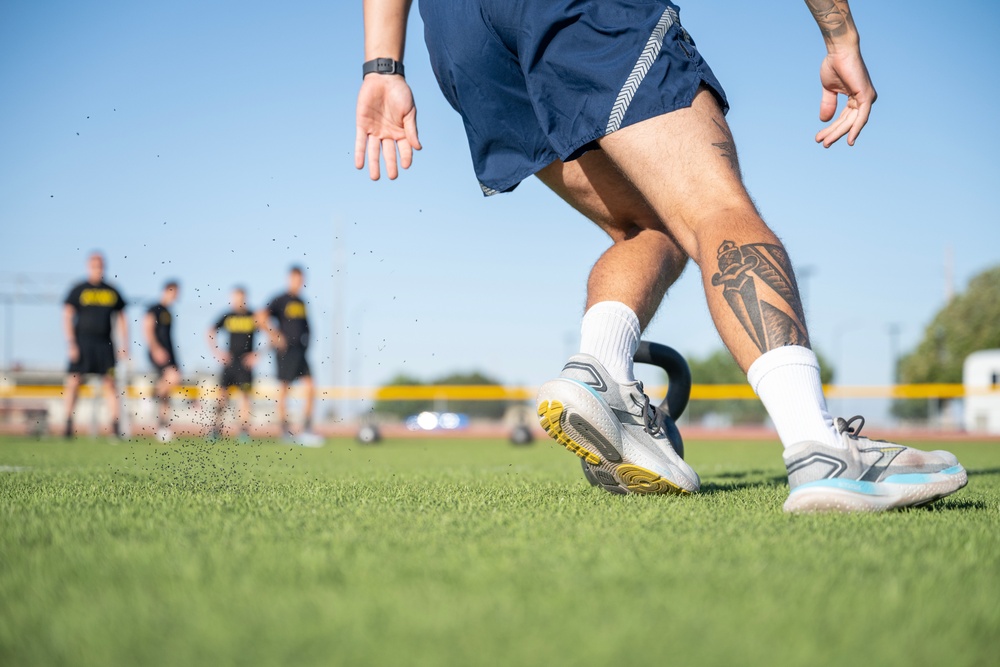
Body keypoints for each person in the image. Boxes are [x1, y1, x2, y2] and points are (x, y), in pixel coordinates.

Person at [355, 0, 967, 512]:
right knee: (714, 211)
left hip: (461, 34)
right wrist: (841, 33)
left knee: (650, 227)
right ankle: (820, 449)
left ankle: (601, 373)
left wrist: (381, 64)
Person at [62, 251, 128, 439]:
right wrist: (71, 343)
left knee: (110, 383)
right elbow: (67, 315)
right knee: (74, 381)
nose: (97, 270)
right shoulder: (79, 289)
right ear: (88, 267)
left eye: (100, 266)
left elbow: (123, 318)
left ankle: (115, 427)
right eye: (94, 266)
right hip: (82, 343)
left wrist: (124, 344)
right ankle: (67, 424)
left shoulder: (112, 290)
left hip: (105, 345)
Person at [256, 266, 323, 447]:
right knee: (284, 389)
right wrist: (274, 335)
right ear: (289, 279)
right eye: (295, 279)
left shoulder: (302, 302)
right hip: (286, 351)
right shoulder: (280, 299)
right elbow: (260, 317)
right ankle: (285, 431)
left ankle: (307, 428)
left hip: (301, 351)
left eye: (301, 280)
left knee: (311, 387)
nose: (298, 283)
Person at [207, 286, 258, 441]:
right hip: (230, 362)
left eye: (240, 298)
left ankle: (243, 431)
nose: (237, 301)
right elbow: (209, 331)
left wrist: (257, 354)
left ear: (245, 298)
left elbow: (271, 331)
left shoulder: (253, 316)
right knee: (222, 396)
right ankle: (216, 429)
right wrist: (217, 352)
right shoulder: (227, 316)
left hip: (245, 363)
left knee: (244, 397)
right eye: (234, 298)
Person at [143, 280, 181, 442]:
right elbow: (147, 327)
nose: (176, 296)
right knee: (173, 379)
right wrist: (155, 348)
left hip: (170, 354)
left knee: (167, 394)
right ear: (167, 290)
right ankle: (151, 397)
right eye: (174, 292)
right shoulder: (155, 308)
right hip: (158, 352)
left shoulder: (169, 311)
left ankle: (163, 427)